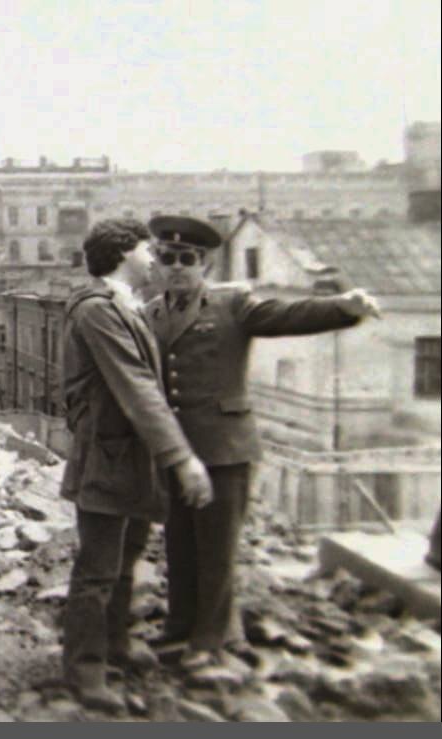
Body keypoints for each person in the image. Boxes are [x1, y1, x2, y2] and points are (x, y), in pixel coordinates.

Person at [144, 214, 382, 669]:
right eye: (168, 257)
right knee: (180, 543)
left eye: (187, 259)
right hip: (176, 451)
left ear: (204, 264)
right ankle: (179, 626)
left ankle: (209, 639)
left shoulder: (232, 303)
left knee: (216, 550)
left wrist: (343, 306)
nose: (177, 267)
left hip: (224, 448)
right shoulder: (151, 312)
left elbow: (285, 315)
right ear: (156, 260)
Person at [59, 219, 214, 712]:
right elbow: (137, 386)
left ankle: (116, 645)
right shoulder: (96, 311)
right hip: (105, 458)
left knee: (126, 559)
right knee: (98, 568)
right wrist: (182, 458)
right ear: (124, 252)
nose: (155, 260)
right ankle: (85, 670)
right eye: (149, 250)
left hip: (129, 457)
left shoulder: (126, 306)